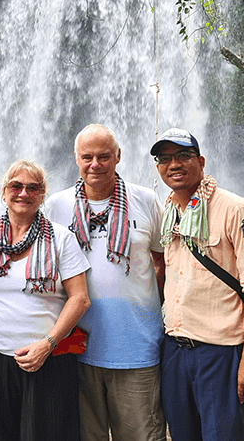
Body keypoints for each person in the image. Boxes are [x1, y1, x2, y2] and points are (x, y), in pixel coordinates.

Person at [44, 124, 166, 441]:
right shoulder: (57, 205)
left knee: (141, 434)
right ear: (76, 158)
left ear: (118, 156)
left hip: (137, 347)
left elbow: (162, 260)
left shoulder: (147, 200)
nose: (95, 164)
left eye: (103, 156)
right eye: (87, 157)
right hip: (77, 350)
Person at [151, 127, 244, 441]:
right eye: (165, 158)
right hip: (174, 350)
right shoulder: (168, 212)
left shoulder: (235, 209)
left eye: (183, 156)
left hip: (221, 353)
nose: (174, 164)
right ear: (158, 167)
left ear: (200, 161)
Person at [0, 160, 92, 441]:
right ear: (4, 191)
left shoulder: (62, 239)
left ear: (42, 194)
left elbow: (80, 299)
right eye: (16, 186)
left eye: (33, 188)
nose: (24, 193)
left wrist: (48, 344)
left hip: (50, 358)